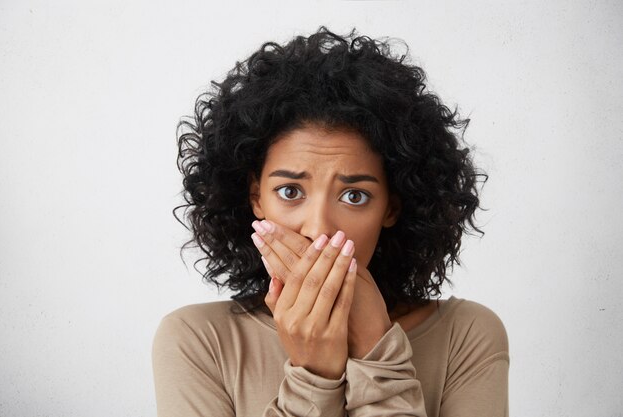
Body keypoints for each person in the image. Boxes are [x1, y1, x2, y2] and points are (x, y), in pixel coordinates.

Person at [152, 26, 509, 417]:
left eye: (354, 196)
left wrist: (378, 351)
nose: (318, 228)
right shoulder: (196, 341)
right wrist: (314, 375)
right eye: (290, 191)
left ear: (391, 208)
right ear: (256, 198)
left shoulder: (467, 334)